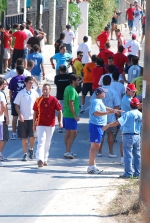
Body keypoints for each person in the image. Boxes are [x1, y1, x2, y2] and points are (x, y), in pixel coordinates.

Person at [103, 97, 142, 178]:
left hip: (128, 136)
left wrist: (108, 125)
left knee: (128, 155)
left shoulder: (128, 114)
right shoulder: (141, 114)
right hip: (137, 136)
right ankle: (137, 173)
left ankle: (128, 173)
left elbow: (118, 122)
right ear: (138, 106)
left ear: (130, 105)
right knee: (137, 155)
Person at [87, 87, 121, 174]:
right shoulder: (96, 101)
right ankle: (91, 167)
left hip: (98, 126)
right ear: (99, 93)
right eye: (103, 92)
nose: (105, 93)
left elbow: (103, 107)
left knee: (95, 146)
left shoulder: (99, 101)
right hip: (96, 125)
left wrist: (113, 110)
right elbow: (96, 112)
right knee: (95, 147)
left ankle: (93, 165)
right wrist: (109, 112)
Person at [33, 83, 63, 168]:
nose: (44, 91)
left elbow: (60, 110)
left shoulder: (54, 99)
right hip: (40, 123)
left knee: (47, 142)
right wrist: (33, 124)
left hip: (51, 124)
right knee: (41, 141)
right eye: (43, 89)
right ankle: (40, 159)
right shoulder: (38, 100)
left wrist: (60, 121)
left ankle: (45, 159)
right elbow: (35, 112)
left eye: (46, 89)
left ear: (49, 90)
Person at [14, 76, 39, 161]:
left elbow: (38, 105)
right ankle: (25, 154)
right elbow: (16, 105)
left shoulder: (35, 93)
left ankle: (31, 149)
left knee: (33, 136)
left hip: (33, 118)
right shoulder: (21, 93)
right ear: (25, 83)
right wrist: (20, 114)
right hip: (23, 118)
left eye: (32, 83)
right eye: (29, 83)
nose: (31, 84)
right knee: (24, 137)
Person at [97, 75, 120, 158]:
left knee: (101, 134)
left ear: (102, 81)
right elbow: (116, 106)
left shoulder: (98, 91)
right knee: (110, 134)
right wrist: (117, 117)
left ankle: (99, 152)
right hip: (111, 117)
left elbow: (93, 102)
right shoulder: (113, 92)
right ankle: (111, 152)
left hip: (99, 117)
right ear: (111, 82)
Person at [63, 74, 80, 159]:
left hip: (66, 114)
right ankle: (67, 151)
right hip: (70, 115)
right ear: (73, 81)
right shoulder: (72, 90)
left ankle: (68, 150)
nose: (79, 82)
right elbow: (71, 103)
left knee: (68, 133)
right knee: (74, 133)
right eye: (77, 80)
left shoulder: (68, 88)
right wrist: (75, 116)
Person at [120, 83, 137, 165]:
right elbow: (137, 106)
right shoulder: (127, 100)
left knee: (127, 142)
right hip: (125, 123)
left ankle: (124, 158)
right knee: (124, 142)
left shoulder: (130, 97)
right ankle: (123, 159)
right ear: (127, 90)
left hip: (128, 123)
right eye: (132, 91)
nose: (133, 93)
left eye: (134, 91)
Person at [8, 66, 26, 140]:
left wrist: (11, 98)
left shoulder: (13, 79)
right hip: (24, 99)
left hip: (15, 99)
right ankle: (22, 133)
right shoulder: (26, 79)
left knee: (15, 117)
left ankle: (14, 133)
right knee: (23, 116)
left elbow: (10, 90)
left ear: (17, 71)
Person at [54, 65, 70, 133]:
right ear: (66, 69)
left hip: (60, 96)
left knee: (60, 112)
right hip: (67, 96)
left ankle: (60, 126)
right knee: (67, 111)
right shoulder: (69, 76)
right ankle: (66, 125)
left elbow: (55, 83)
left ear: (59, 70)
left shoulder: (57, 77)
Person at [0, 78, 9, 164]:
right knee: (2, 138)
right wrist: (6, 117)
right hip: (1, 120)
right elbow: (4, 106)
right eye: (5, 84)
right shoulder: (1, 94)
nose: (6, 85)